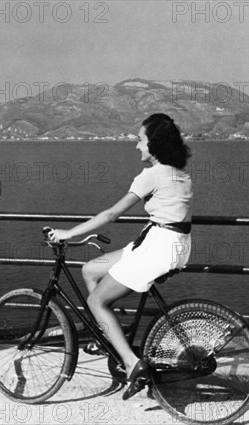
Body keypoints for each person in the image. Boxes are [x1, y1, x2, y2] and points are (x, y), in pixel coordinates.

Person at [48, 113, 192, 400]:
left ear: (154, 144)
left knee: (96, 300)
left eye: (140, 140)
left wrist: (69, 233)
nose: (137, 146)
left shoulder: (152, 175)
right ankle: (110, 338)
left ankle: (131, 363)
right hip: (170, 243)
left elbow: (111, 214)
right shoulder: (179, 173)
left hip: (158, 247)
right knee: (91, 269)